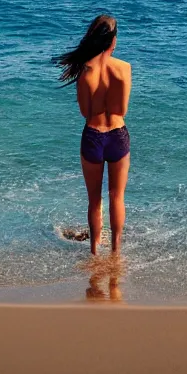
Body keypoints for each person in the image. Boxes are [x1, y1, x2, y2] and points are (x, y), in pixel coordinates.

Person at [53, 15, 131, 255]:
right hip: (117, 135)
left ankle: (95, 252)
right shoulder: (124, 68)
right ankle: (116, 252)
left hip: (93, 136)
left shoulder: (86, 71)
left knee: (95, 200)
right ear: (113, 41)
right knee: (117, 197)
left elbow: (85, 112)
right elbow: (122, 110)